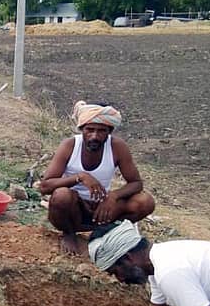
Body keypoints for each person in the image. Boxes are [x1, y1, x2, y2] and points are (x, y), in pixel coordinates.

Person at [39, 101, 154, 255]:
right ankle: (69, 233)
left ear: (109, 131)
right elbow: (45, 186)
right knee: (62, 195)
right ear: (81, 129)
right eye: (89, 130)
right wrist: (79, 177)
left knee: (145, 202)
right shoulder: (70, 145)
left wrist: (113, 196)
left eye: (101, 131)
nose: (94, 136)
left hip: (102, 210)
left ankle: (104, 233)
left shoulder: (117, 147)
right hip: (73, 209)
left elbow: (136, 183)